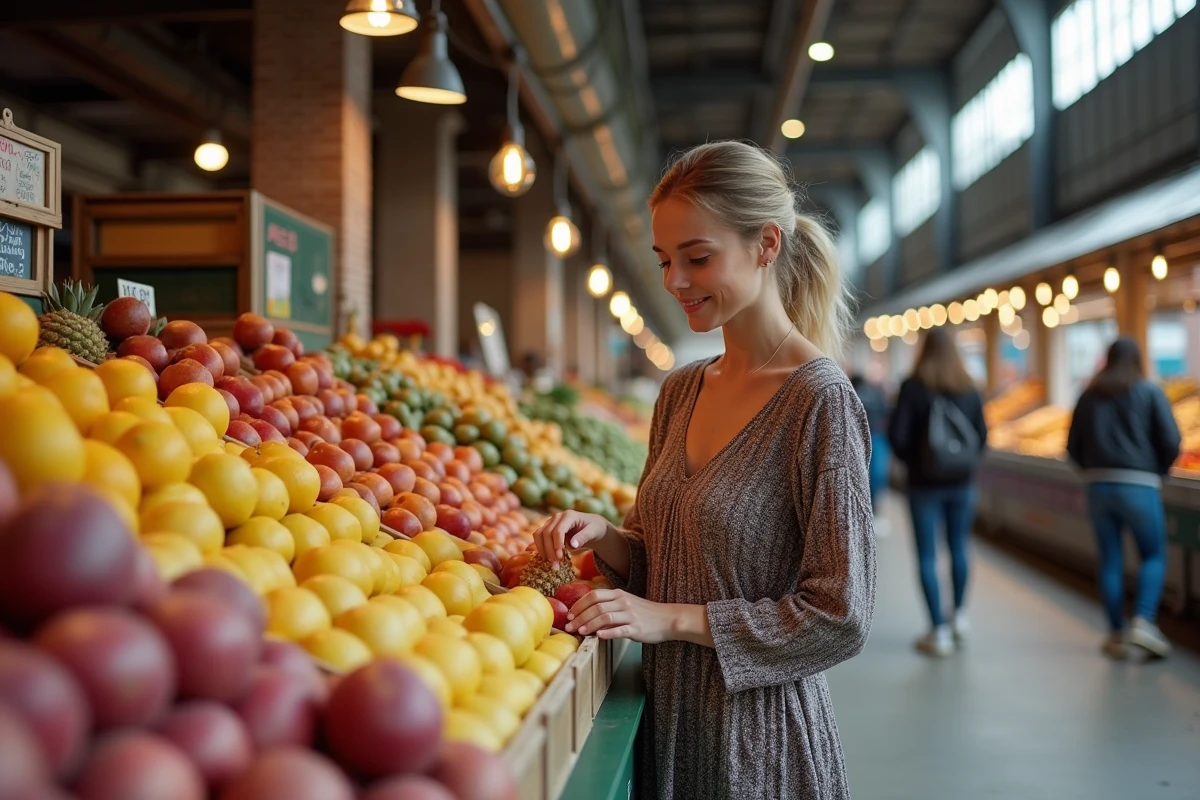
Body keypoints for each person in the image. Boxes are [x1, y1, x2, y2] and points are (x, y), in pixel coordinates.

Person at [532, 141, 877, 799]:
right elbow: (662, 559)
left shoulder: (818, 400)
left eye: (697, 258)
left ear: (766, 245)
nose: (675, 282)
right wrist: (606, 537)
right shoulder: (680, 390)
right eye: (666, 261)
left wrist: (668, 620)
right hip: (668, 730)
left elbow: (841, 615)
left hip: (759, 748)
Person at [1066, 336, 1180, 659]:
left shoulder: (1089, 395)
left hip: (1098, 487)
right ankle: (1143, 621)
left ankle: (1116, 633)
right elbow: (1171, 440)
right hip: (1140, 485)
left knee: (1110, 559)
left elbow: (1072, 447)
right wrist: (1157, 472)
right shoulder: (1150, 391)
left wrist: (1092, 470)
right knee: (1153, 555)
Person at [887, 327, 987, 657]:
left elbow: (898, 438)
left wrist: (917, 460)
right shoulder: (969, 388)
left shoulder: (913, 388)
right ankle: (959, 615)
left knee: (928, 555)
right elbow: (982, 437)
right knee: (959, 547)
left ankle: (938, 630)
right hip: (962, 484)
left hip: (924, 486)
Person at [850, 370, 892, 534]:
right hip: (878, 436)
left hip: (862, 439)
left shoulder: (854, 395)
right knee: (877, 476)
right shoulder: (876, 394)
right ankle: (873, 512)